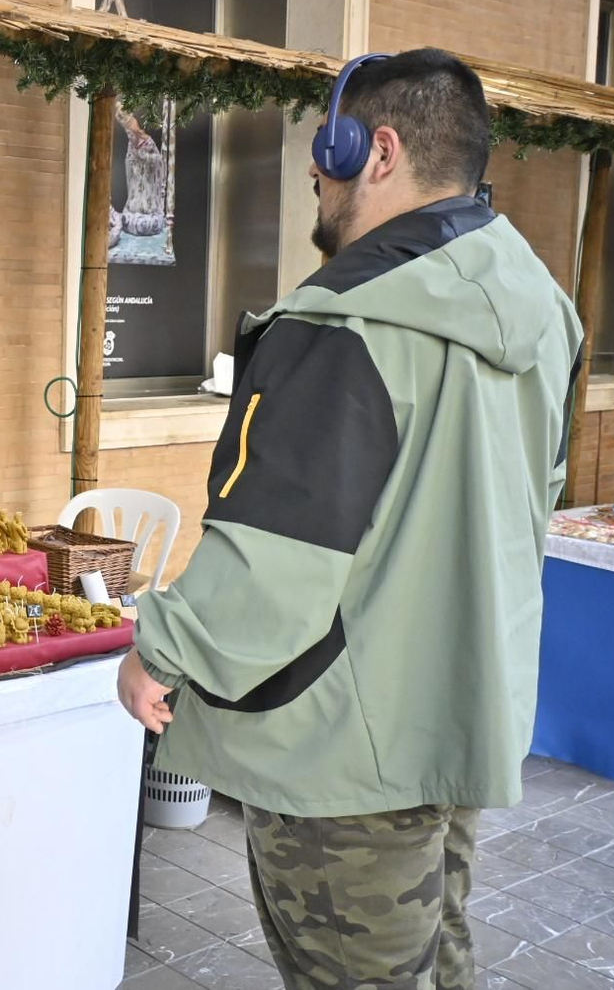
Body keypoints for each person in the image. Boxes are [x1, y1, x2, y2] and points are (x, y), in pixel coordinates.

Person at [116, 49, 583, 989]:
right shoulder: (543, 310)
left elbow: (275, 559)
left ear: (377, 151)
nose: (313, 172)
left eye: (324, 148)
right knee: (436, 964)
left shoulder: (342, 323)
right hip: (456, 712)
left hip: (342, 752)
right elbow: (537, 494)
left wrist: (160, 651)